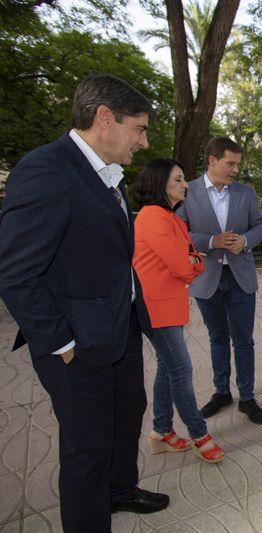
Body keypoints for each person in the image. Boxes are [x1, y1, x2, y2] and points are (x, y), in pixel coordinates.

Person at [0, 74, 169, 532]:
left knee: (126, 414)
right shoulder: (46, 170)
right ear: (104, 118)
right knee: (87, 446)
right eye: (139, 128)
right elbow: (15, 273)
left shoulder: (107, 175)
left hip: (118, 328)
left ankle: (119, 491)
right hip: (78, 342)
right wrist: (60, 342)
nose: (144, 140)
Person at [132, 158, 225, 463]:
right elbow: (186, 264)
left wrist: (191, 262)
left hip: (168, 305)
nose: (186, 184)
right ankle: (200, 434)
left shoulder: (169, 217)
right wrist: (193, 263)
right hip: (156, 308)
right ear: (160, 184)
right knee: (181, 369)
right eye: (178, 180)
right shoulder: (154, 217)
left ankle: (161, 431)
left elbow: (190, 260)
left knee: (167, 367)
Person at [177, 137, 262, 424]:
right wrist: (211, 241)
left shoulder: (246, 193)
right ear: (212, 160)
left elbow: (260, 226)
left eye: (237, 164)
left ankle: (248, 397)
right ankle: (221, 393)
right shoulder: (186, 191)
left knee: (243, 340)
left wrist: (245, 241)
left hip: (241, 277)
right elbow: (178, 232)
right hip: (206, 279)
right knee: (217, 338)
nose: (235, 170)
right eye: (230, 163)